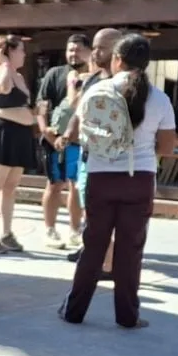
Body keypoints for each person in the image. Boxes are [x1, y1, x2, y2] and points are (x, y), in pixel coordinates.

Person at [59, 33, 176, 329]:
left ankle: (74, 311)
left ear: (118, 59)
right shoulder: (160, 99)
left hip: (100, 177)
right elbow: (166, 148)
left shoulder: (97, 89)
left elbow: (77, 133)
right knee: (130, 250)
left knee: (93, 246)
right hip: (139, 178)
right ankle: (127, 316)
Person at [61, 28, 122, 267]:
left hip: (108, 156)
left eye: (102, 48)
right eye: (94, 47)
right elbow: (79, 108)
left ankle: (106, 258)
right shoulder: (94, 78)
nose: (96, 53)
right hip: (87, 153)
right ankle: (89, 247)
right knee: (88, 203)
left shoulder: (119, 83)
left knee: (102, 209)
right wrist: (68, 132)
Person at [0, 35, 38, 253]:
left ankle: (6, 232)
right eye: (20, 50)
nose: (24, 54)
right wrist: (2, 62)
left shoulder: (20, 76)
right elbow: (1, 88)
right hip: (2, 132)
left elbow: (24, 102)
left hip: (20, 133)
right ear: (9, 51)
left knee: (11, 186)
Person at [36, 34, 91, 249]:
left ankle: (75, 230)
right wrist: (45, 131)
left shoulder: (94, 77)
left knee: (78, 186)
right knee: (54, 184)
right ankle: (50, 230)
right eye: (70, 50)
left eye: (77, 49)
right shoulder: (55, 73)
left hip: (82, 140)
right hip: (55, 138)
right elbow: (41, 104)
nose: (73, 54)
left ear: (88, 51)